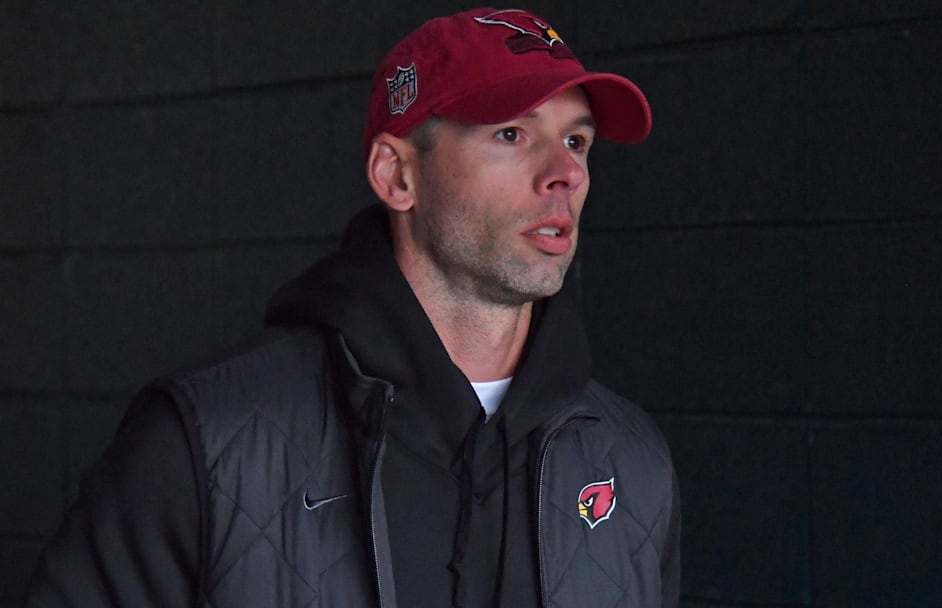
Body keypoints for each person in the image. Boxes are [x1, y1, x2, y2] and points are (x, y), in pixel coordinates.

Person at [26, 7, 680, 608]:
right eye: (511, 134)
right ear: (398, 176)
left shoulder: (630, 461)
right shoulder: (207, 439)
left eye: (577, 141)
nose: (564, 174)